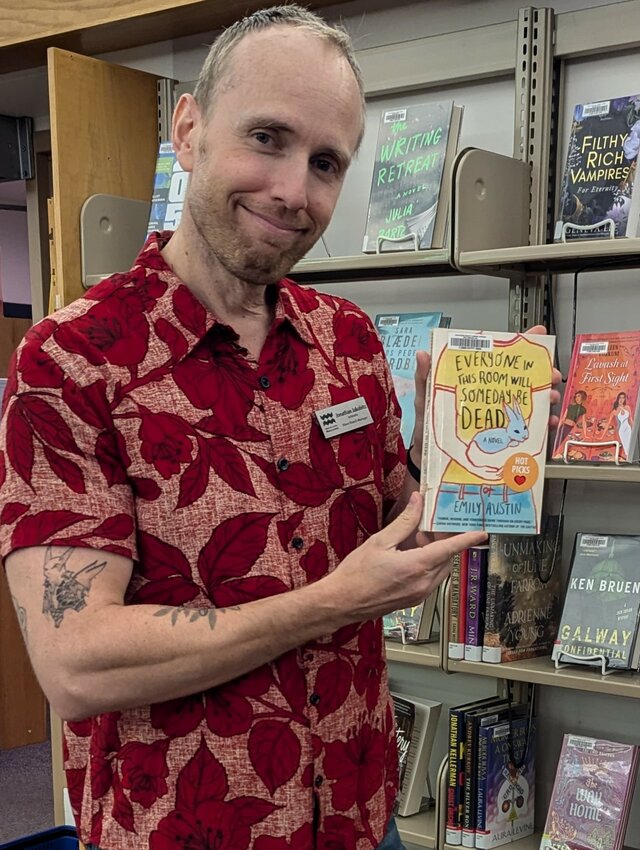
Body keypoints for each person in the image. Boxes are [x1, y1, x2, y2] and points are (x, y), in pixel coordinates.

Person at [0, 7, 558, 850]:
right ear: (188, 129)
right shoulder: (73, 360)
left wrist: (469, 448)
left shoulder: (350, 340)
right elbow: (76, 663)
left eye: (326, 161)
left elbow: (399, 543)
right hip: (183, 832)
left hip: (363, 817)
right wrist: (330, 603)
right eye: (267, 138)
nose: (295, 190)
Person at [605, 391, 634, 459]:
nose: (621, 400)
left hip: (628, 428)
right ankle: (627, 459)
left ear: (624, 399)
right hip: (621, 431)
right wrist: (601, 436)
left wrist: (634, 430)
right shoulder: (614, 411)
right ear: (618, 399)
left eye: (623, 398)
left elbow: (630, 419)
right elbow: (608, 424)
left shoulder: (627, 407)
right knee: (626, 447)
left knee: (631, 445)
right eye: (620, 398)